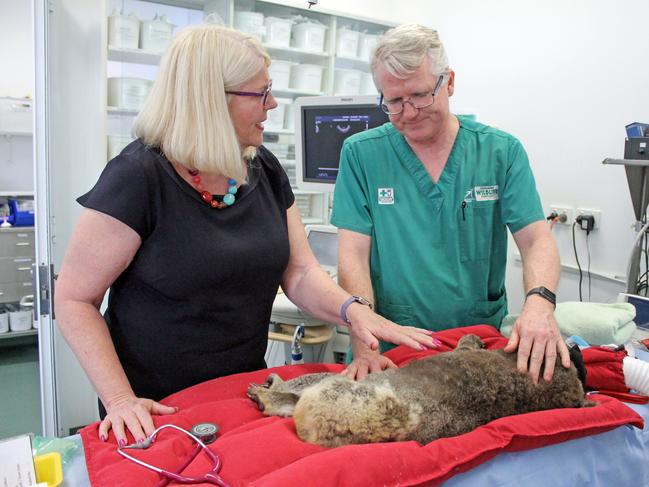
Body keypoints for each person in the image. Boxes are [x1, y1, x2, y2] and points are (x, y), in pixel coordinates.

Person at [54, 24, 435, 446]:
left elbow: (301, 271)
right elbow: (74, 299)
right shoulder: (138, 177)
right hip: (153, 404)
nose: (272, 104)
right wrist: (121, 398)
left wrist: (352, 310)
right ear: (211, 101)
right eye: (261, 93)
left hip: (240, 391)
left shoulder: (262, 167)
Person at [331, 24, 570, 382]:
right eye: (394, 102)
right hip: (390, 348)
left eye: (420, 95)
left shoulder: (499, 152)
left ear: (450, 82)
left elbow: (536, 239)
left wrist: (539, 304)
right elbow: (352, 254)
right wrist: (363, 335)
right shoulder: (362, 154)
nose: (408, 112)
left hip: (476, 346)